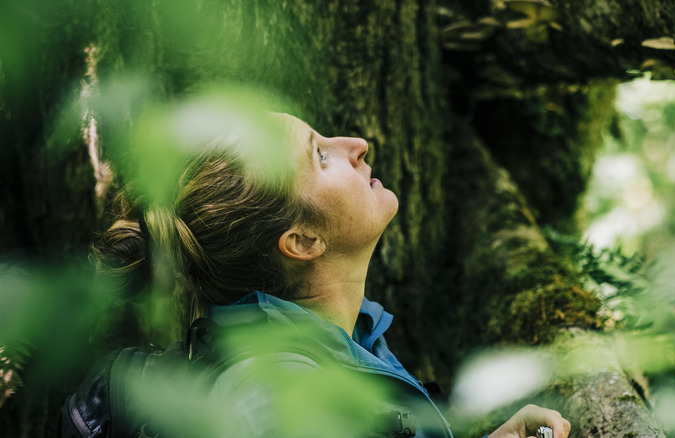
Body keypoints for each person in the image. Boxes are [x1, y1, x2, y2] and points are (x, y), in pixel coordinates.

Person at [74, 113, 571, 438]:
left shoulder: (344, 343)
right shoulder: (274, 395)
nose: (356, 144)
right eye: (321, 155)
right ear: (303, 241)